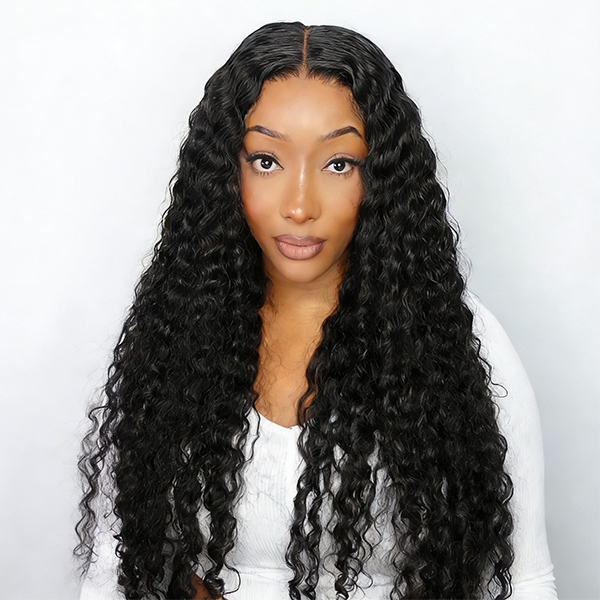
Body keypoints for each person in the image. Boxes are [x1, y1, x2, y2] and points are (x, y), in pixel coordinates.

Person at [76, 22, 557, 600]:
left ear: (380, 176)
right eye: (266, 161)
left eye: (338, 164)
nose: (300, 205)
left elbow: (524, 581)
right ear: (225, 170)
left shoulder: (457, 337)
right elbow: (113, 562)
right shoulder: (174, 324)